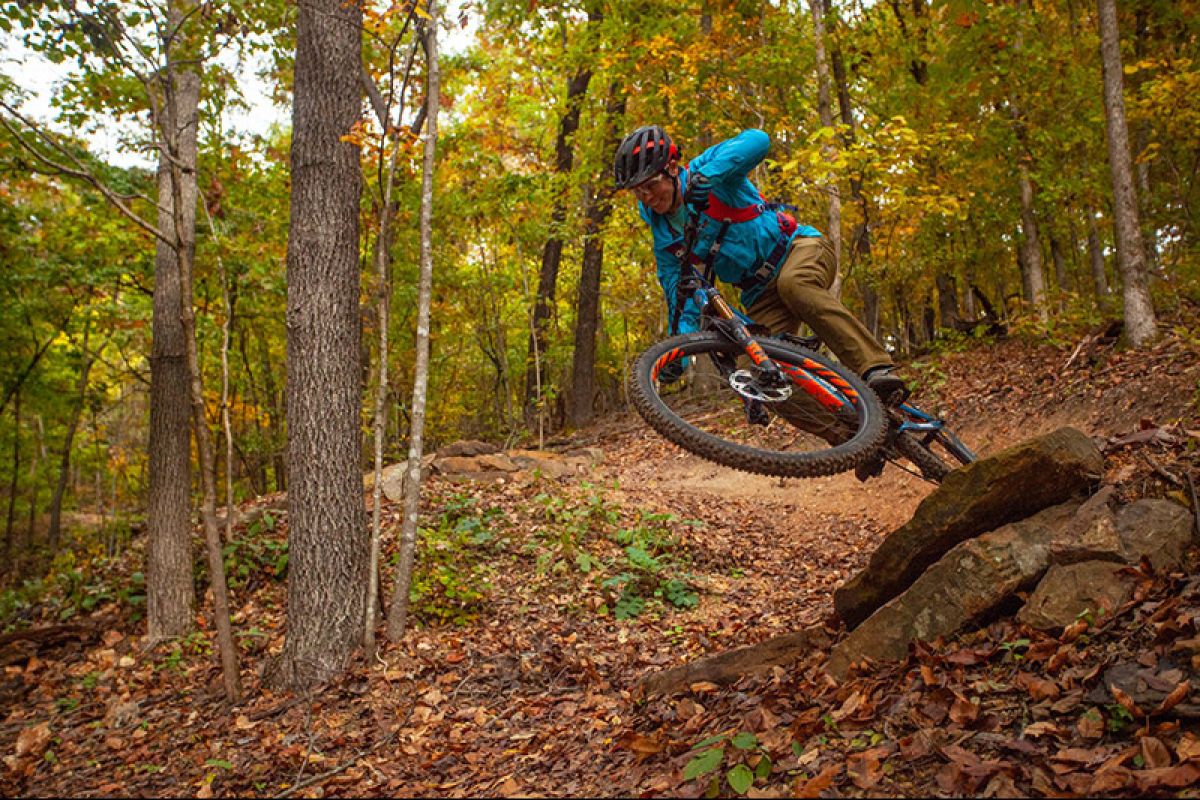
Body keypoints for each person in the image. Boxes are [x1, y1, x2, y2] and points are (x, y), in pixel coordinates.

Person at [612, 125, 907, 405]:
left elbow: (758, 140)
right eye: (639, 192)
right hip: (759, 293)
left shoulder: (706, 170)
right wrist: (678, 354)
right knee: (761, 378)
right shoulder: (665, 234)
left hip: (798, 250)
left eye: (651, 185)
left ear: (672, 169)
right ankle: (853, 433)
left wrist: (710, 177)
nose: (648, 197)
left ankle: (875, 368)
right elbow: (680, 293)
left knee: (794, 284)